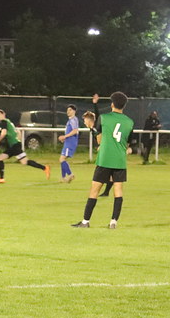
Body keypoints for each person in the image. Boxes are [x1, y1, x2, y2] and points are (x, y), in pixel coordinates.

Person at [72, 91, 134, 229]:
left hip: (105, 159)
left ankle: (85, 221)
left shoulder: (104, 118)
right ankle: (113, 222)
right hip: (119, 160)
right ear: (123, 106)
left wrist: (97, 135)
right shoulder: (130, 122)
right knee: (118, 191)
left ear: (112, 104)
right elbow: (127, 144)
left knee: (94, 190)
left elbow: (99, 139)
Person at [0, 108, 49, 182]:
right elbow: (18, 132)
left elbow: (4, 133)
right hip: (15, 145)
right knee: (24, 162)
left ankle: (1, 178)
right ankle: (44, 168)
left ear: (3, 114)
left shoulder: (4, 122)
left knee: (0, 158)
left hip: (14, 146)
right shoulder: (9, 121)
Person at [57, 104, 80, 182]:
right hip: (68, 141)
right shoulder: (70, 120)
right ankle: (63, 177)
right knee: (62, 159)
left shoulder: (73, 120)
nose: (68, 112)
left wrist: (65, 136)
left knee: (62, 159)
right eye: (67, 110)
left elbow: (75, 131)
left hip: (71, 142)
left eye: (70, 110)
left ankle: (70, 174)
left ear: (74, 111)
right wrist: (65, 138)